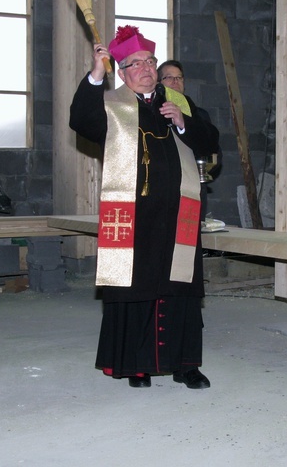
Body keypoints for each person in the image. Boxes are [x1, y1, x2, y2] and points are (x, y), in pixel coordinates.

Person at [69, 25, 219, 389]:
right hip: (135, 216)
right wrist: (96, 74)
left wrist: (184, 124)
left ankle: (185, 364)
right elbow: (81, 120)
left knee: (180, 287)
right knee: (135, 288)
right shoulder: (113, 104)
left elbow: (211, 141)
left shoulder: (178, 101)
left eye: (150, 60)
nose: (146, 68)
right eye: (135, 64)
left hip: (178, 213)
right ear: (122, 73)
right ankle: (136, 364)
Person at [157, 60, 222, 219]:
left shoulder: (199, 115)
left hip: (193, 191)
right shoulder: (155, 114)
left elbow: (214, 155)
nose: (175, 81)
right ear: (158, 83)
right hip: (163, 194)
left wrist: (199, 177)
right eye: (169, 77)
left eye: (179, 78)